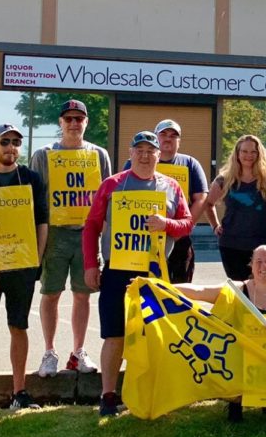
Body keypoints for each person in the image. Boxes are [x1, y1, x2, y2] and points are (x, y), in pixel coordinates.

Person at [83, 131, 193, 417]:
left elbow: (187, 224)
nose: (145, 155)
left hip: (154, 272)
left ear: (159, 155)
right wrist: (90, 264)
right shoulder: (112, 185)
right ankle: (108, 396)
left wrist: (166, 224)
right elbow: (92, 225)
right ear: (130, 153)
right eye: (139, 150)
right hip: (117, 269)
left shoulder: (171, 186)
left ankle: (147, 393)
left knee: (152, 335)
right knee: (114, 335)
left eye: (150, 151)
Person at [175, 245, 266, 427]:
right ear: (251, 266)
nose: (264, 266)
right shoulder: (238, 291)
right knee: (218, 374)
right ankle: (239, 399)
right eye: (259, 262)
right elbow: (200, 291)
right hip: (242, 364)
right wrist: (158, 286)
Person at [30, 99, 112, 378]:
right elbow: (36, 198)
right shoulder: (44, 154)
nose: (74, 123)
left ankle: (78, 352)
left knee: (83, 294)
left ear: (86, 122)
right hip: (54, 233)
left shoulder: (99, 155)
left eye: (79, 119)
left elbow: (107, 199)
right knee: (50, 293)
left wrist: (103, 238)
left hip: (86, 234)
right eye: (69, 119)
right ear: (60, 123)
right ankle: (49, 352)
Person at [0, 124, 48, 411]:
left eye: (16, 142)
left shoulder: (30, 178)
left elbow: (42, 221)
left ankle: (20, 392)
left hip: (21, 266)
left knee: (19, 326)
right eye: (6, 142)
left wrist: (37, 260)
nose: (11, 147)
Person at [122, 119, 208, 283]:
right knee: (142, 287)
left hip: (179, 239)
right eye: (163, 134)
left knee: (179, 290)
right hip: (141, 237)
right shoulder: (133, 162)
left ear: (179, 141)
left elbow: (201, 199)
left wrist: (180, 230)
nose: (168, 138)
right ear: (156, 137)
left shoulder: (190, 163)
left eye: (173, 136)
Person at [203, 135, 266, 280]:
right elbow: (208, 204)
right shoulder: (225, 179)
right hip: (232, 244)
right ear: (237, 153)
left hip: (264, 243)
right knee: (240, 291)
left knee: (265, 287)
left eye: (253, 151)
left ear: (259, 153)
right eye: (244, 151)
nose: (249, 155)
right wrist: (215, 225)